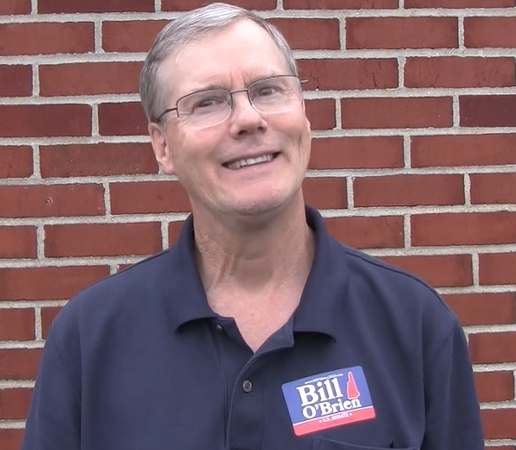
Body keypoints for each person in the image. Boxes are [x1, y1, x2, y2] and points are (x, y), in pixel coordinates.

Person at [21, 3, 484, 449]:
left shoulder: (413, 325)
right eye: (207, 102)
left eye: (267, 90)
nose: (248, 119)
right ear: (162, 146)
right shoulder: (89, 339)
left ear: (303, 115)